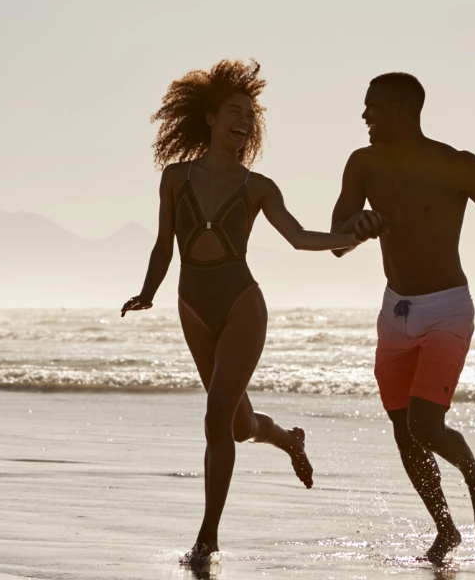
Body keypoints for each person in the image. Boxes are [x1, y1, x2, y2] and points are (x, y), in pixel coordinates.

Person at [120, 59, 383, 568]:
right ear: (211, 118)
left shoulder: (258, 187)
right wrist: (147, 292)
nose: (244, 121)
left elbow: (301, 237)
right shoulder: (175, 178)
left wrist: (355, 234)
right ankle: (287, 439)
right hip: (192, 308)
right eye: (235, 112)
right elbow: (162, 246)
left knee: (215, 418)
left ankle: (207, 540)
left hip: (242, 306)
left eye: (250, 115)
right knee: (238, 427)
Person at [329, 72, 475, 566]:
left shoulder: (455, 164)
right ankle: (445, 529)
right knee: (403, 429)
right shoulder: (363, 163)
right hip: (395, 310)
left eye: (372, 107)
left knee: (425, 424)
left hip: (446, 308)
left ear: (401, 110)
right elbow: (336, 239)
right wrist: (358, 227)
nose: (364, 116)